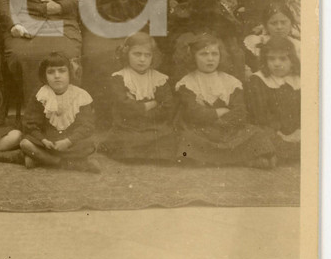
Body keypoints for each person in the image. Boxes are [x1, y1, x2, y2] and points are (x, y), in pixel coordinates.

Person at [174, 33, 275, 168]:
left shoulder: (231, 82)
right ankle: (242, 159)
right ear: (193, 56)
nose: (210, 59)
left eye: (214, 54)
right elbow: (193, 113)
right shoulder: (187, 83)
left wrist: (222, 123)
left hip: (229, 130)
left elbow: (240, 112)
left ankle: (209, 159)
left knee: (257, 134)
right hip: (202, 130)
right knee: (187, 138)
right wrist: (219, 112)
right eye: (203, 54)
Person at [99, 34, 177, 162]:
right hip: (127, 125)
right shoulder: (120, 78)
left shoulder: (159, 79)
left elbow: (168, 105)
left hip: (154, 124)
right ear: (126, 54)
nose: (142, 59)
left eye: (147, 55)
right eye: (137, 54)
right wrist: (152, 103)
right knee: (126, 140)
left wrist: (138, 108)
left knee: (167, 137)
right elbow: (124, 106)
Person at [19, 52, 99, 172]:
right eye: (51, 72)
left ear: (70, 73)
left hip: (70, 142)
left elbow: (87, 125)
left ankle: (41, 159)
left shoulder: (80, 95)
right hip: (48, 143)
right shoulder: (41, 95)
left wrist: (68, 141)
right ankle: (69, 164)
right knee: (25, 143)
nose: (57, 76)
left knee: (90, 144)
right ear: (44, 76)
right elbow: (30, 123)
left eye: (62, 71)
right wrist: (43, 140)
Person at [245, 37, 300, 163]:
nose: (276, 63)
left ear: (292, 60)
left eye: (283, 59)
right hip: (273, 129)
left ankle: (277, 155)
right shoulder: (258, 80)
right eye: (271, 59)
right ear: (265, 60)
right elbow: (261, 115)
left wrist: (299, 130)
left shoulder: (298, 79)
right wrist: (280, 132)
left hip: (297, 129)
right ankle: (273, 154)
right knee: (262, 135)